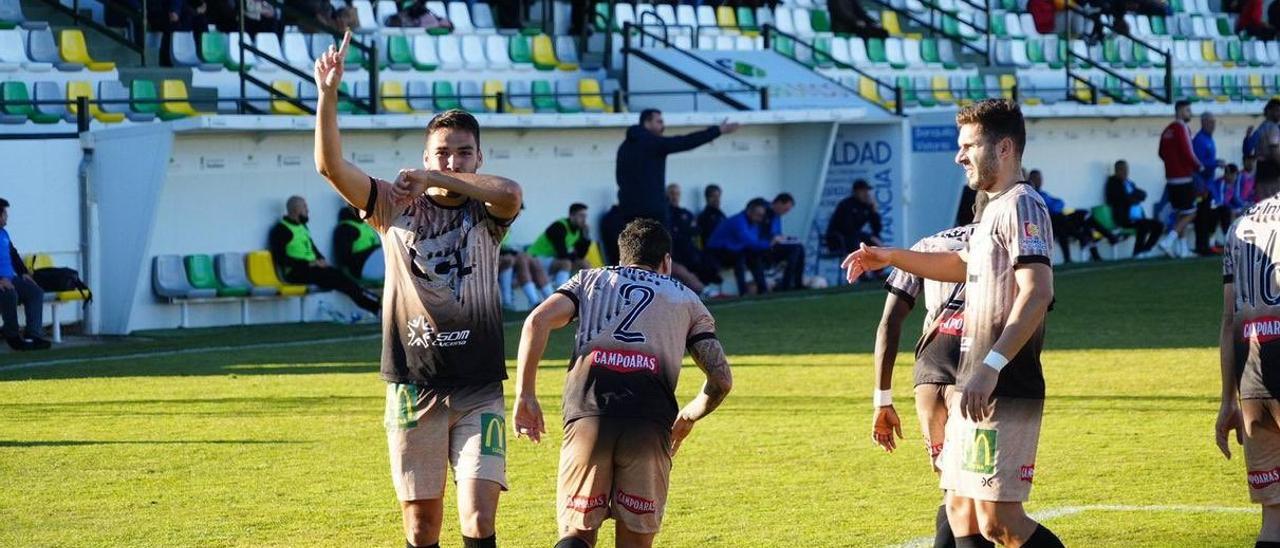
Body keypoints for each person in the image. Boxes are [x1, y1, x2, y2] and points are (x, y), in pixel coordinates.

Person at [312, 33, 523, 548]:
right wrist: (328, 95)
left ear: (478, 158)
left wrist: (432, 176)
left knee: (478, 520)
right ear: (423, 153)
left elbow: (512, 193)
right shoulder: (392, 205)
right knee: (421, 526)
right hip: (412, 387)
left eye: (462, 154)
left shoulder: (488, 211)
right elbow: (330, 167)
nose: (452, 163)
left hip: (479, 388)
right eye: (441, 154)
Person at [843, 99, 1063, 548]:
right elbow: (960, 263)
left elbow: (1037, 291)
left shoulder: (1023, 204)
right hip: (973, 386)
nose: (958, 156)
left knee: (1001, 523)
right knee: (962, 513)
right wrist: (890, 256)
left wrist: (992, 364)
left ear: (1003, 148)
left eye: (968, 146)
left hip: (1003, 384)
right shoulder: (994, 211)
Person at [513, 218, 733, 548]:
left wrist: (525, 395)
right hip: (649, 425)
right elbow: (721, 379)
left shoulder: (589, 280)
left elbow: (537, 321)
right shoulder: (688, 301)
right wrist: (688, 416)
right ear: (667, 262)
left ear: (621, 257)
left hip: (588, 420)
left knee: (576, 536)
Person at [870, 223, 975, 548]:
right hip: (974, 367)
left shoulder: (926, 245)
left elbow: (889, 322)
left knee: (951, 487)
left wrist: (882, 399)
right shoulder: (1002, 239)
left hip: (928, 371)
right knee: (975, 495)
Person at [1216, 184, 1280, 548]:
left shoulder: (1240, 225)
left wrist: (1229, 400)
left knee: (1273, 517)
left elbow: (1229, 318)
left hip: (1253, 384)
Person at [615, 110, 738, 227]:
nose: (663, 126)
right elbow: (685, 142)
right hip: (652, 211)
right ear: (647, 122)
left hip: (627, 210)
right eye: (659, 122)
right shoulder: (653, 143)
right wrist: (717, 131)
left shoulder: (624, 146)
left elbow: (619, 177)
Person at [268, 196, 381, 315]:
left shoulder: (301, 227)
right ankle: (376, 307)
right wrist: (309, 263)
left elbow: (311, 248)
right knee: (341, 280)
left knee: (341, 278)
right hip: (296, 272)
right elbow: (280, 258)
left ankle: (376, 306)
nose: (308, 210)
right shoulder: (281, 229)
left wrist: (320, 259)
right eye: (305, 207)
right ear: (296, 210)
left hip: (312, 269)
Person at [1029, 169, 1114, 263]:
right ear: (1031, 179)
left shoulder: (1044, 193)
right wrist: (1054, 207)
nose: (1040, 180)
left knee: (1084, 215)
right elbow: (1051, 208)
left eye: (1041, 178)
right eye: (1037, 178)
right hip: (1049, 225)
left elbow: (1060, 203)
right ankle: (1085, 240)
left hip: (1062, 222)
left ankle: (1095, 248)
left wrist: (1055, 206)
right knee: (1060, 221)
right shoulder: (1032, 194)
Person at [0, 198, 49, 351]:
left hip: (11, 279)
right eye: (5, 213)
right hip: (2, 283)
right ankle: (13, 336)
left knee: (35, 292)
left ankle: (33, 335)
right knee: (10, 293)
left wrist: (23, 273)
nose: (7, 217)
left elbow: (13, 254)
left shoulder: (4, 234)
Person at [1157, 100, 1204, 259]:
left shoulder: (1167, 130)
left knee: (1181, 213)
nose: (1190, 114)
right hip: (1183, 177)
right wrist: (1199, 166)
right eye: (1188, 110)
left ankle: (1183, 249)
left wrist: (1171, 164)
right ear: (1179, 111)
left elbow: (1161, 153)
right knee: (1191, 213)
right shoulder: (1181, 128)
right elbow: (1188, 152)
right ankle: (1168, 241)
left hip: (1170, 178)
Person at [706, 198, 772, 296]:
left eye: (762, 216)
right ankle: (743, 292)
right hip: (715, 253)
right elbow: (749, 242)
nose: (760, 218)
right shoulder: (738, 221)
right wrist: (771, 243)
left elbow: (754, 243)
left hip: (733, 250)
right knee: (740, 258)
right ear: (749, 211)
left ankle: (763, 290)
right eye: (758, 215)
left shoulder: (753, 223)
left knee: (754, 257)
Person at [667, 183, 720, 296]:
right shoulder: (665, 214)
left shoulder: (686, 213)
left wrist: (683, 231)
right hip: (675, 251)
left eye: (677, 194)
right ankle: (701, 291)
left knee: (708, 260)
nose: (674, 196)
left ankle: (705, 289)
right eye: (672, 193)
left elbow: (696, 231)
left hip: (690, 248)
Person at [1105, 160, 1164, 259]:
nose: (1125, 172)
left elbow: (1143, 194)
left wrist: (1132, 198)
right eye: (1122, 170)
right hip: (1124, 218)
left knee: (1159, 225)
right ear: (1116, 171)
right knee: (1143, 226)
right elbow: (1121, 198)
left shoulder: (1130, 183)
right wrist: (1133, 198)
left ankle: (1146, 250)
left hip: (1137, 217)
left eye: (1126, 170)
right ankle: (1137, 252)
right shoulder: (1113, 183)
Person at [527, 203, 593, 288]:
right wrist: (574, 256)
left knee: (584, 263)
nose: (584, 220)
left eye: (585, 216)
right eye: (581, 216)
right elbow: (562, 254)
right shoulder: (559, 227)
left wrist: (586, 237)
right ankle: (561, 292)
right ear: (571, 216)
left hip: (552, 260)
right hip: (536, 258)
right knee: (565, 263)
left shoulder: (578, 231)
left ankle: (591, 295)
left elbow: (581, 256)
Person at [1193, 112, 1228, 255]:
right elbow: (1198, 163)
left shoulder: (1209, 139)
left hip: (1209, 184)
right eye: (1210, 122)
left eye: (1214, 122)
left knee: (1209, 214)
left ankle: (1207, 244)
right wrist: (1215, 163)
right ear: (1203, 122)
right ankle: (1202, 246)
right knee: (1202, 215)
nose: (1213, 125)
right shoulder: (1200, 140)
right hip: (1201, 185)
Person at [761, 193, 806, 291]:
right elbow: (761, 234)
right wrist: (773, 239)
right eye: (785, 209)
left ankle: (797, 282)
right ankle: (787, 284)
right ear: (779, 203)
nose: (786, 213)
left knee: (799, 247)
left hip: (774, 245)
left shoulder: (776, 216)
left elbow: (777, 234)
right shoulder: (764, 213)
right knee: (795, 249)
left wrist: (785, 238)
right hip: (763, 248)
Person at [826, 179, 883, 256]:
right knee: (858, 244)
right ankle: (859, 267)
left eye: (867, 191)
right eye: (863, 191)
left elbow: (877, 229)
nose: (866, 193)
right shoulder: (846, 204)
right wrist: (870, 237)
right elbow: (847, 228)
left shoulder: (866, 206)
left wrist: (874, 211)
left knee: (878, 248)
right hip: (837, 238)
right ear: (855, 192)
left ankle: (874, 266)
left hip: (854, 238)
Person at [498, 236, 553, 312]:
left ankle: (551, 299)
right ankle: (509, 302)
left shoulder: (507, 228)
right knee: (515, 259)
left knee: (533, 261)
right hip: (497, 261)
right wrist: (512, 252)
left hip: (509, 257)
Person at [333, 205, 384, 283]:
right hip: (362, 267)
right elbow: (343, 259)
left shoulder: (366, 224)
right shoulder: (346, 227)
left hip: (376, 262)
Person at [1250, 99, 1280, 201]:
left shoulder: (1260, 128)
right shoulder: (1273, 128)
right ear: (1269, 111)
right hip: (1271, 172)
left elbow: (1249, 149)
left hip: (1261, 173)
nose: (1279, 114)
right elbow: (1274, 152)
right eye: (1277, 111)